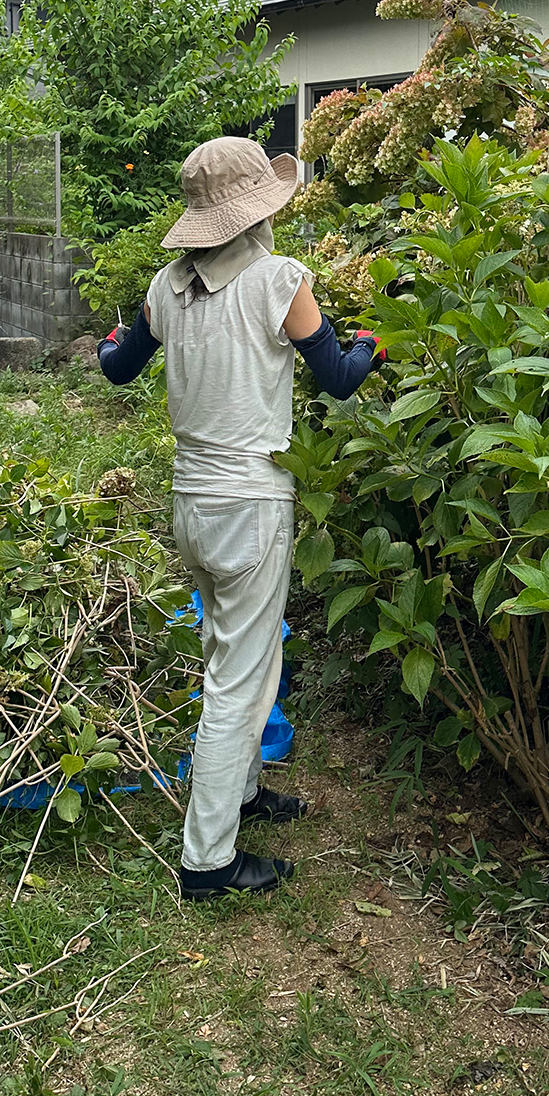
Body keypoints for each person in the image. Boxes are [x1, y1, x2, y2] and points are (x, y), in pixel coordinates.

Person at [95, 136, 383, 900]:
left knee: (238, 655)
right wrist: (372, 344)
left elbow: (118, 365)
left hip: (191, 504)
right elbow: (342, 379)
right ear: (258, 213)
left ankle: (245, 791)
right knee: (239, 679)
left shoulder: (166, 287)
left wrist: (104, 342)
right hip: (252, 505)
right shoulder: (280, 281)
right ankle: (208, 859)